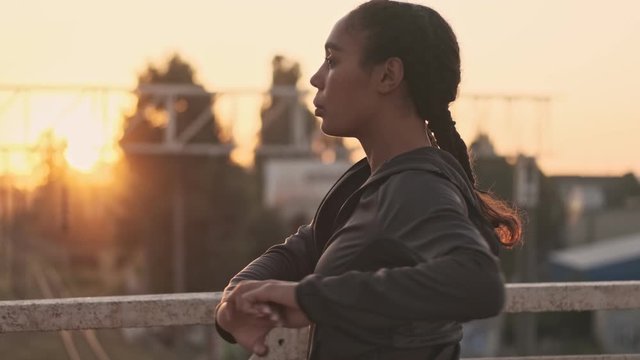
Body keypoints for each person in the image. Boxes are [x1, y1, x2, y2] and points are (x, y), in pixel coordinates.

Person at [215, 1, 522, 359]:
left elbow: (477, 282)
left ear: (387, 76)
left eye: (332, 61)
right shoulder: (369, 180)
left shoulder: (415, 186)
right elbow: (303, 249)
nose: (316, 78)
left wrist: (308, 299)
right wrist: (236, 300)